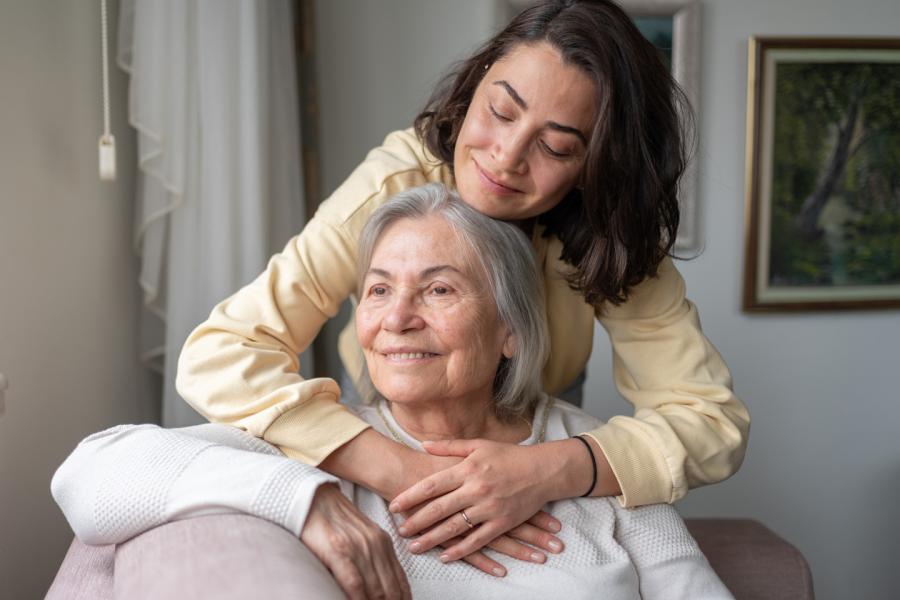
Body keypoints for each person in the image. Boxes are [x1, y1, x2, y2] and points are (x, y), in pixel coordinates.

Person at [176, 0, 749, 570]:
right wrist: (399, 468)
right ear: (474, 86)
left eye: (555, 147)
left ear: (597, 165)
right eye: (501, 110)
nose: (505, 157)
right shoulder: (394, 183)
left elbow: (711, 422)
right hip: (381, 426)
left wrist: (547, 469)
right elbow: (221, 354)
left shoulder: (613, 236)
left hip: (541, 430)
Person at [53, 185, 734, 599]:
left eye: (438, 289)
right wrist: (307, 499)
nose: (396, 318)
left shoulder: (598, 460)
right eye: (378, 289)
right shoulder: (319, 444)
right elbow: (87, 473)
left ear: (511, 331)